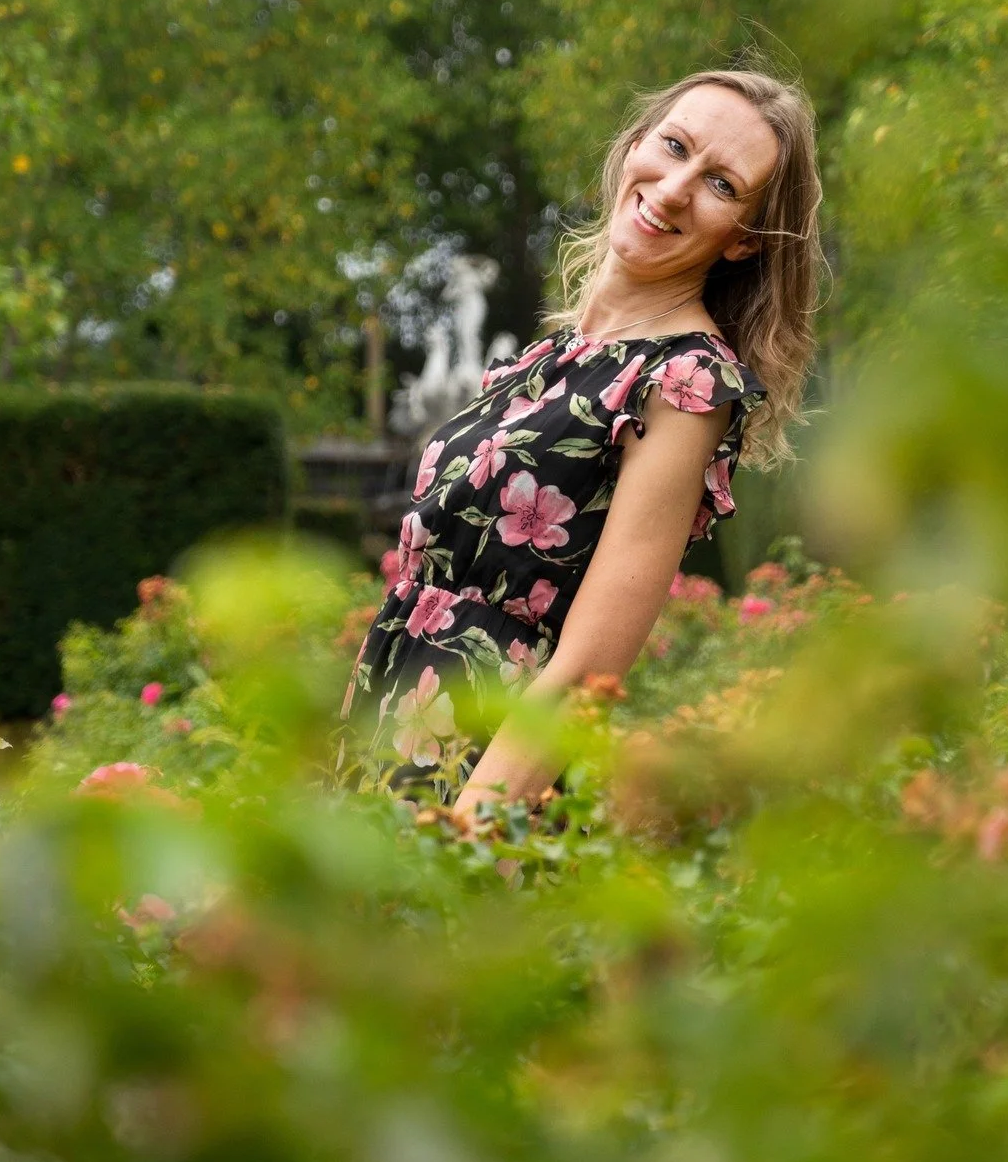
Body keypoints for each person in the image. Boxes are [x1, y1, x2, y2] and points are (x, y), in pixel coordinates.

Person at [335, 63, 825, 827]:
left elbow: (588, 667)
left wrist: (465, 841)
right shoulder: (545, 362)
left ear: (745, 241)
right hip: (382, 747)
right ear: (635, 144)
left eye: (721, 185)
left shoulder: (683, 385)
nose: (672, 188)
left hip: (474, 778)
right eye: (673, 146)